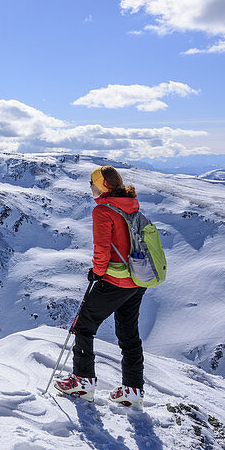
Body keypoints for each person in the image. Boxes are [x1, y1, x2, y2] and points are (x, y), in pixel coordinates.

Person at [55, 166, 147, 407]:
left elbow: (102, 249)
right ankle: (133, 390)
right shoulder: (131, 205)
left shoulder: (103, 211)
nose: (90, 186)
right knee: (129, 333)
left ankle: (82, 383)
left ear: (102, 185)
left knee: (83, 326)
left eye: (92, 182)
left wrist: (96, 272)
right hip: (137, 281)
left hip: (115, 280)